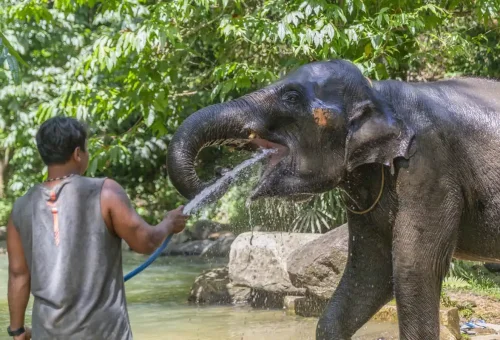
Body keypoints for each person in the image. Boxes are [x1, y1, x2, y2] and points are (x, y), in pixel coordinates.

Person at [6, 116, 188, 339]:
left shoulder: (21, 208)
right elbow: (146, 242)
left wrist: (16, 331)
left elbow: (18, 276)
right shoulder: (106, 192)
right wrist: (169, 223)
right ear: (77, 153)